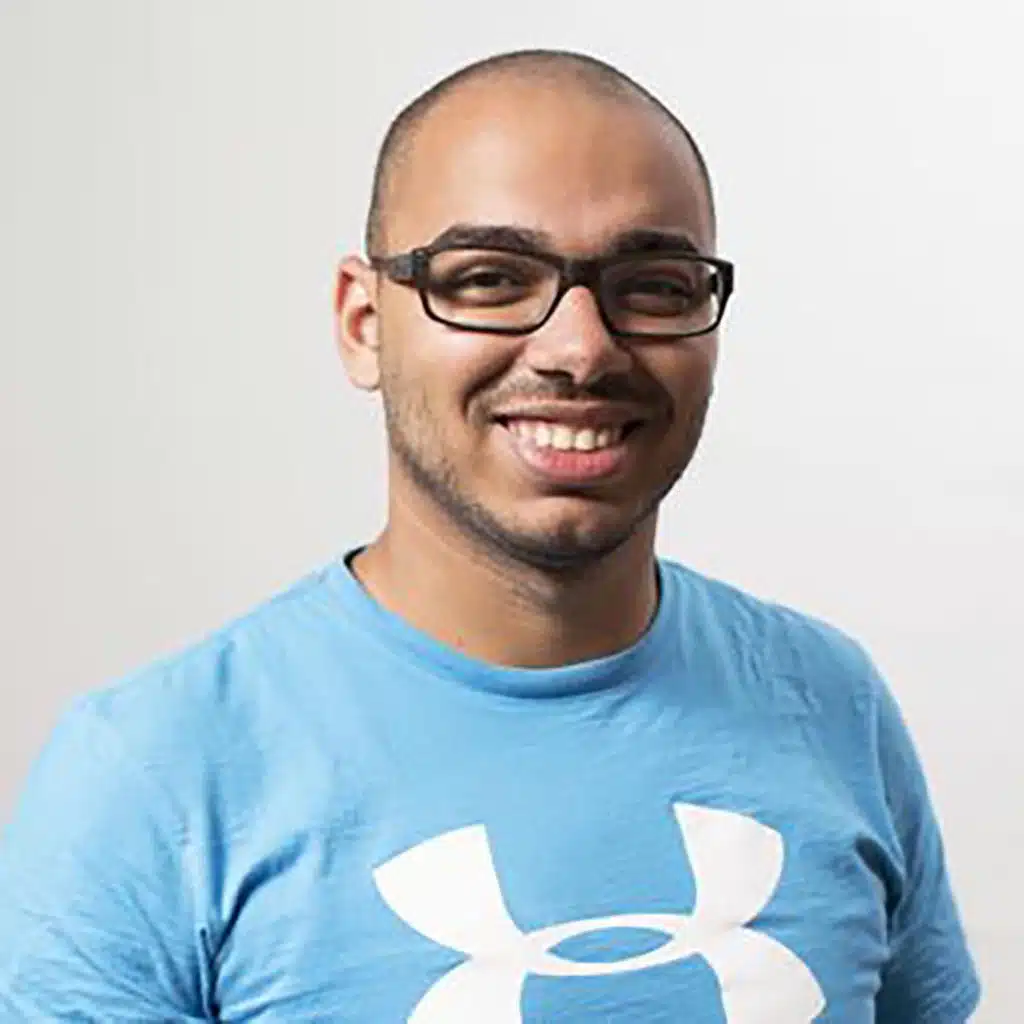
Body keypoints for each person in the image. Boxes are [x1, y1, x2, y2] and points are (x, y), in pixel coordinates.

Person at [0, 48, 980, 1023]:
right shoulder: (151, 780)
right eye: (488, 278)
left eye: (654, 285)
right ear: (363, 323)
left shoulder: (831, 703)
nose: (580, 348)